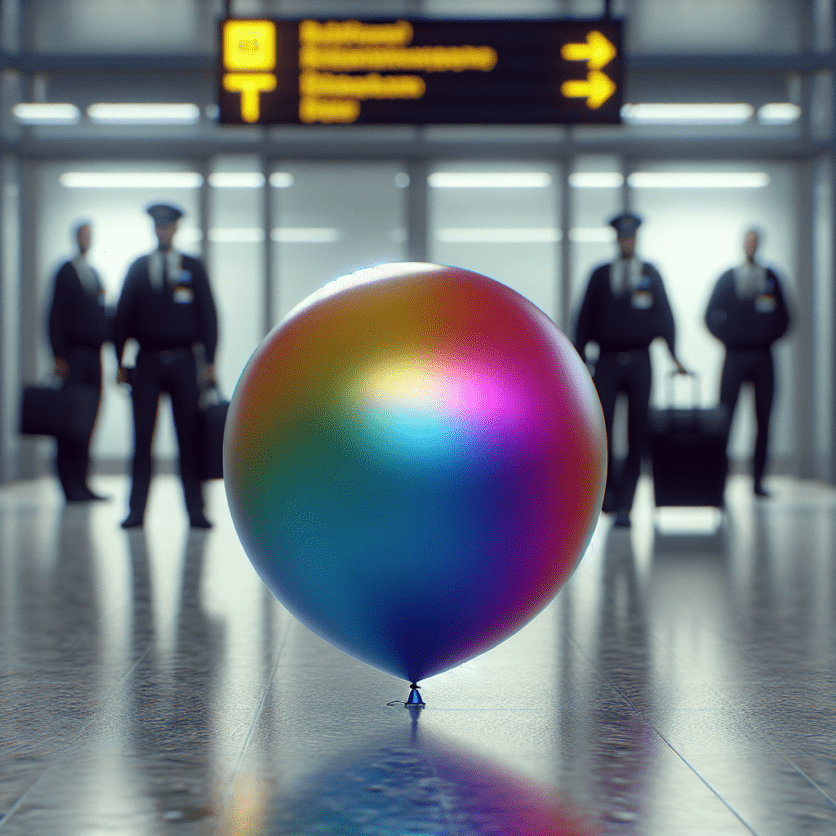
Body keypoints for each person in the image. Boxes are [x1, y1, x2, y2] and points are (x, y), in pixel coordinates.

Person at [574, 213, 687, 527]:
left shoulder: (649, 273)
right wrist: (578, 359)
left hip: (640, 361)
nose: (627, 242)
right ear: (617, 240)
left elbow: (665, 315)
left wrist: (674, 355)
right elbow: (583, 318)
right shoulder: (600, 274)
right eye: (622, 237)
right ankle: (608, 495)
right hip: (607, 361)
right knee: (603, 429)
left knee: (638, 432)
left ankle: (627, 503)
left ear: (637, 239)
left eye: (631, 237)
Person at [112, 203, 218, 529]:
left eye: (168, 225)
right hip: (147, 362)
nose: (163, 231)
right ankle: (136, 511)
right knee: (142, 438)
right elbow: (121, 316)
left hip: (184, 363)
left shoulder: (192, 267)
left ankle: (196, 511)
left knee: (189, 438)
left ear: (176, 229)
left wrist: (210, 361)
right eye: (159, 226)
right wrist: (119, 360)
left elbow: (209, 316)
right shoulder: (138, 268)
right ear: (154, 229)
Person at [705, 228, 791, 497]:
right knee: (726, 418)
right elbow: (709, 316)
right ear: (742, 245)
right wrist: (731, 338)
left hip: (763, 359)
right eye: (747, 242)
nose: (750, 247)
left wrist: (763, 338)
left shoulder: (771, 278)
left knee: (763, 419)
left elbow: (785, 318)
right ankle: (718, 481)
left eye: (755, 242)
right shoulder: (727, 279)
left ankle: (758, 481)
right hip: (734, 357)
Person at [47, 220, 110, 502]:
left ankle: (83, 482)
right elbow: (55, 314)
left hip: (94, 357)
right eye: (84, 235)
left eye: (90, 235)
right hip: (72, 356)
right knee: (68, 421)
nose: (87, 239)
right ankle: (68, 483)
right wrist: (58, 355)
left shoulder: (94, 274)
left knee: (88, 420)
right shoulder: (66, 271)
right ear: (76, 238)